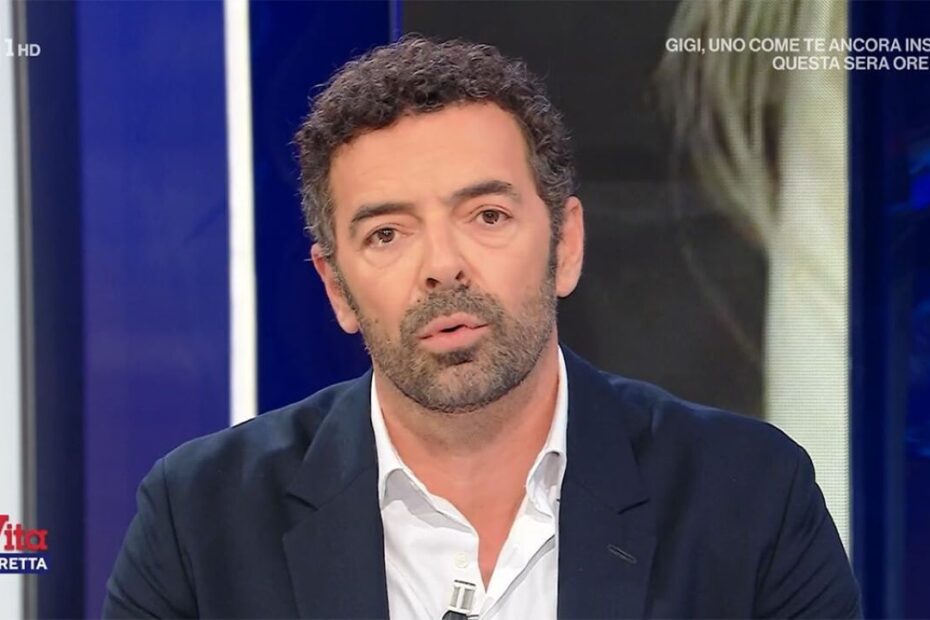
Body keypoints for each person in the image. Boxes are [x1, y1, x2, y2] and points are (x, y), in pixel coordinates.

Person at [103, 36, 860, 619]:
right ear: (336, 287)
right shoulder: (199, 519)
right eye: (387, 234)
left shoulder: (749, 495)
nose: (443, 266)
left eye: (487, 216)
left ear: (565, 245)